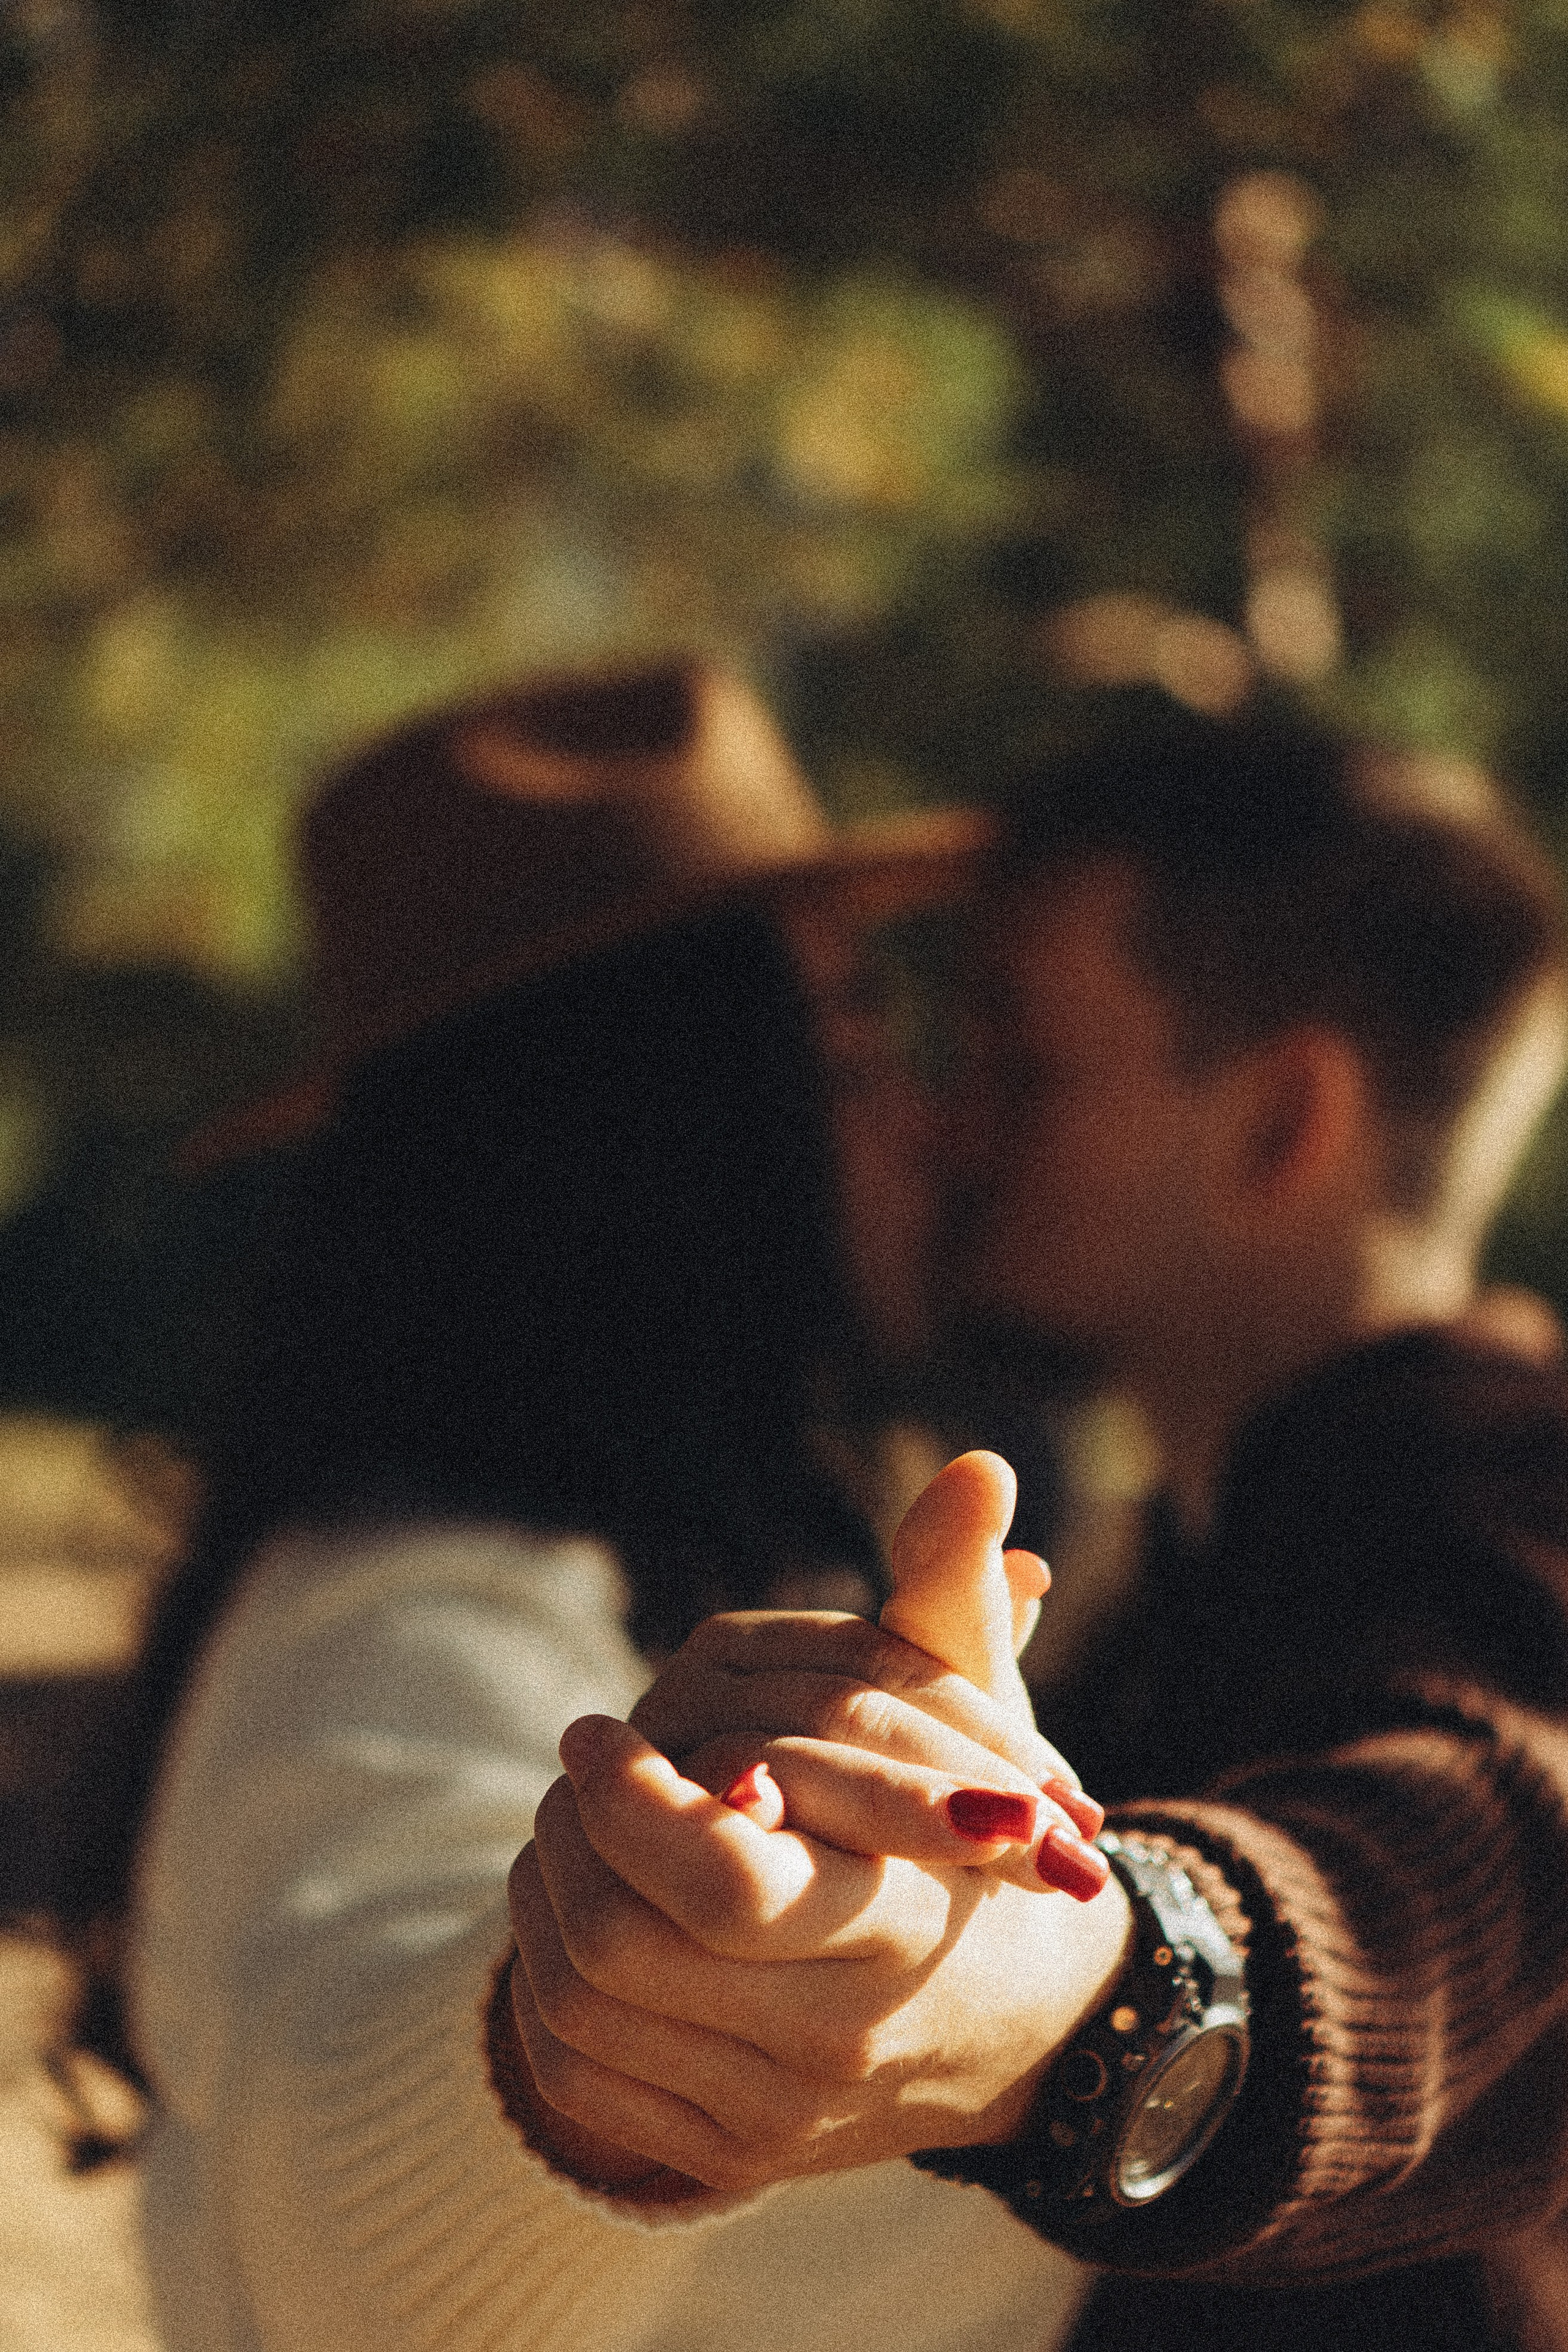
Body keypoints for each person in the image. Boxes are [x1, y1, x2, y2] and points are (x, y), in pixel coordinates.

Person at [504, 703, 1568, 2352]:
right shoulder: (1218, 1530)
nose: (947, 1122)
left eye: (1021, 1062)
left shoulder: (1498, 1494)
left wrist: (1118, 1987)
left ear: (1283, 1119)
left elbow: (1489, 1847)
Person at [126, 663, 1095, 2351]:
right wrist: (580, 2072)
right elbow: (336, 2180)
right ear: (675, 1133)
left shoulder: (651, 1578)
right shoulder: (408, 1611)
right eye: (860, 1034)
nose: (933, 1127)